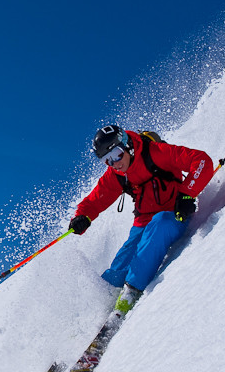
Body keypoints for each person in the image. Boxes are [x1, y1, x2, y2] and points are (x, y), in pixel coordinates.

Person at [68, 125, 214, 320]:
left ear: (126, 145)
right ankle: (92, 315)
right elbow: (96, 199)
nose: (115, 163)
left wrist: (187, 195)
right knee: (116, 272)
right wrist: (82, 217)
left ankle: (130, 293)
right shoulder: (117, 174)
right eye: (107, 160)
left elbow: (202, 161)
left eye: (117, 154)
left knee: (159, 226)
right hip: (142, 222)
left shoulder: (156, 153)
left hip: (173, 215)